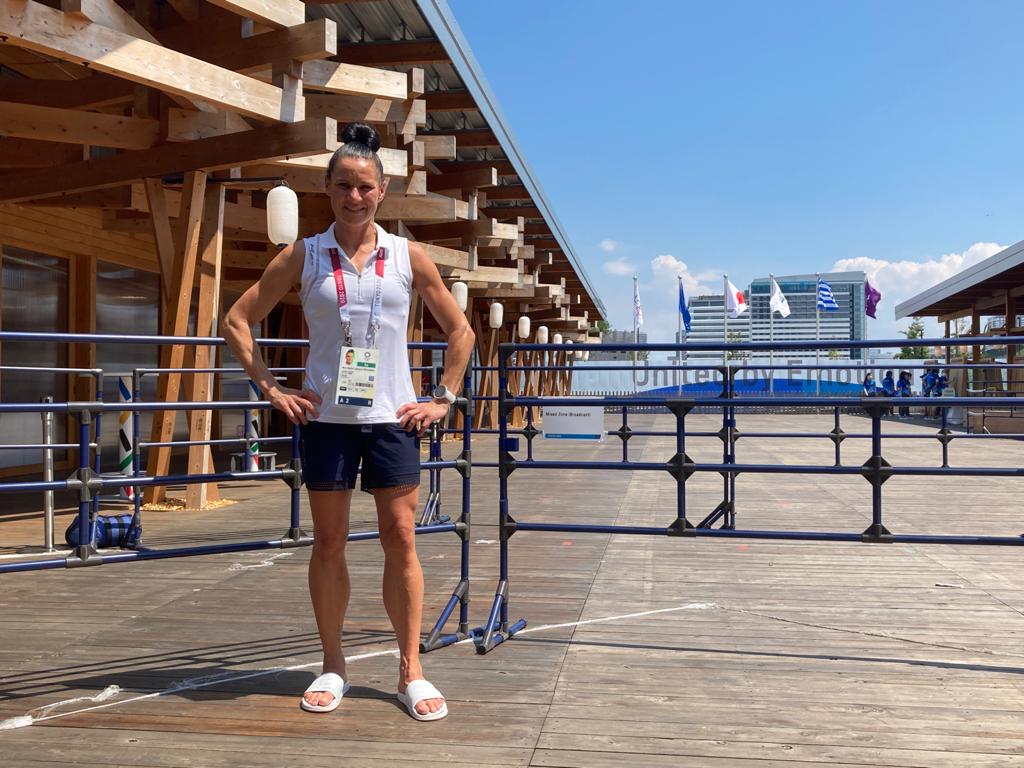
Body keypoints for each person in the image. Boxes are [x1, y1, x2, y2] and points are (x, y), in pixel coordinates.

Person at [223, 123, 474, 721]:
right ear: (327, 190)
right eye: (342, 186)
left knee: (402, 538)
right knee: (329, 542)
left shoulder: (409, 257)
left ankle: (411, 668)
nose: (354, 197)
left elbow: (461, 330)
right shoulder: (304, 255)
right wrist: (270, 387)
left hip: (393, 418)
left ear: (382, 190)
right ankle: (333, 664)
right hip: (328, 419)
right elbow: (237, 319)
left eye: (364, 186)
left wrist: (442, 397)